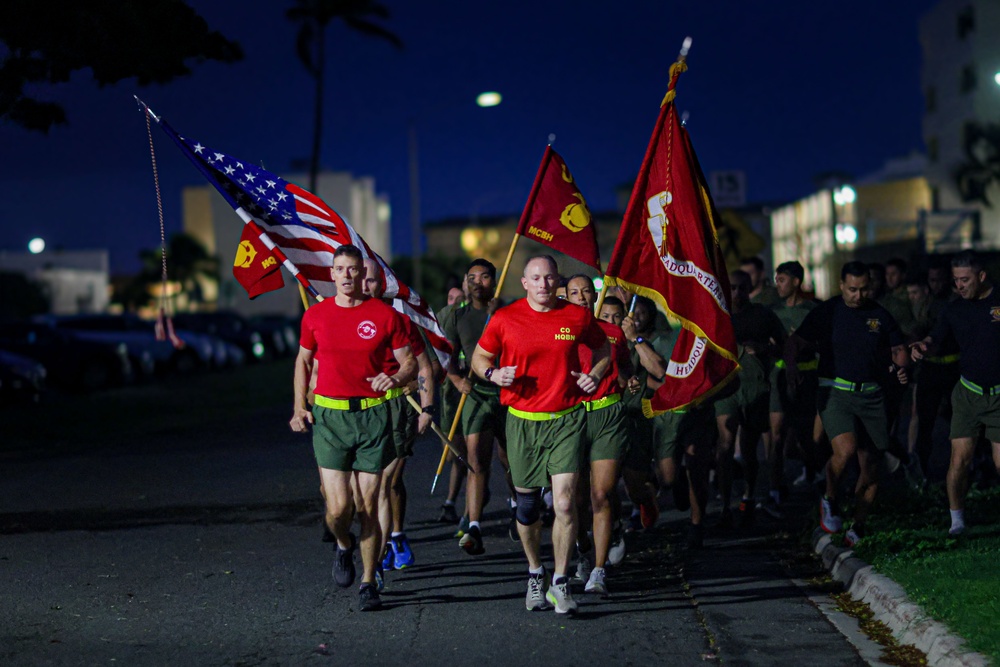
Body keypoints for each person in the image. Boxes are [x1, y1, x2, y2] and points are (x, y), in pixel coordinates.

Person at [472, 255, 610, 615]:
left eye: (550, 278)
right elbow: (479, 358)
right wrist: (492, 375)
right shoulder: (505, 318)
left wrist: (594, 373)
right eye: (537, 278)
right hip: (521, 420)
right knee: (529, 507)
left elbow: (603, 348)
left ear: (556, 281)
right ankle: (535, 571)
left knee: (564, 502)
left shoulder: (576, 316)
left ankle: (560, 584)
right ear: (525, 283)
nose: (545, 284)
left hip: (566, 419)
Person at [290, 244, 417, 611]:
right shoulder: (316, 316)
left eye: (353, 269)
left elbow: (408, 363)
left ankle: (368, 581)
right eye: (340, 269)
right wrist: (300, 406)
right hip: (330, 418)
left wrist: (393, 380)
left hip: (373, 417)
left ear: (364, 275)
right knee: (339, 508)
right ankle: (344, 545)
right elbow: (302, 361)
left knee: (369, 503)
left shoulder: (384, 315)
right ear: (332, 274)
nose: (347, 275)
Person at [785, 261, 910, 547]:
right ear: (842, 286)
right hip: (835, 391)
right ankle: (829, 498)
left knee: (871, 466)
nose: (858, 295)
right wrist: (791, 366)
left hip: (872, 395)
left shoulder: (880, 315)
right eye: (852, 289)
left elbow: (898, 350)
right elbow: (795, 342)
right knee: (846, 448)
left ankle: (859, 524)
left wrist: (902, 367)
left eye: (864, 289)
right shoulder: (827, 312)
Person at [911, 250, 1000, 535]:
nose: (959, 285)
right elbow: (935, 338)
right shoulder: (953, 309)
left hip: (999, 395)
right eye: (955, 280)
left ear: (982, 276)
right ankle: (957, 522)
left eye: (965, 279)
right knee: (959, 459)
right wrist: (923, 346)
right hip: (967, 392)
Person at [360, 259, 435, 581]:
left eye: (372, 280)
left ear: (383, 285)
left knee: (386, 483)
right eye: (360, 278)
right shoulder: (339, 316)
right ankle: (375, 540)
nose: (365, 285)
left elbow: (425, 367)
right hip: (356, 414)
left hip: (398, 408)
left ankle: (387, 546)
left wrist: (427, 408)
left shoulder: (399, 321)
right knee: (362, 489)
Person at [442, 259, 514, 554]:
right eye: (472, 277)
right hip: (475, 394)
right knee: (476, 460)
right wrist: (458, 381)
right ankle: (474, 526)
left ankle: (517, 503)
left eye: (484, 277)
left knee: (510, 459)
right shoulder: (457, 317)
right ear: (465, 281)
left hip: (508, 394)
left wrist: (500, 315)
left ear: (494, 281)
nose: (478, 282)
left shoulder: (508, 312)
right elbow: (446, 357)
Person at [565, 275, 631, 595]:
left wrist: (627, 381)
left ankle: (600, 571)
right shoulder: (559, 332)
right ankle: (582, 550)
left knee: (600, 495)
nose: (581, 297)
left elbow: (626, 368)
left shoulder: (614, 334)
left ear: (595, 296)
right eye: (574, 293)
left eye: (586, 291)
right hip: (572, 419)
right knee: (575, 499)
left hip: (608, 416)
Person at [714, 270, 786, 526]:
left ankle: (748, 495)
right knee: (725, 445)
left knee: (749, 449)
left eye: (742, 288)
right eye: (732, 287)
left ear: (749, 288)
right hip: (725, 389)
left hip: (755, 388)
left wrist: (764, 348)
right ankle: (723, 505)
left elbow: (784, 345)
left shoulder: (762, 314)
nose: (737, 293)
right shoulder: (716, 314)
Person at [768, 261, 820, 498]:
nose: (777, 284)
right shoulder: (774, 313)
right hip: (779, 378)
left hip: (807, 377)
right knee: (777, 436)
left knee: (805, 435)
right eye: (776, 279)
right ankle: (776, 487)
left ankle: (814, 470)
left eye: (782, 280)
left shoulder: (812, 311)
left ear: (796, 282)